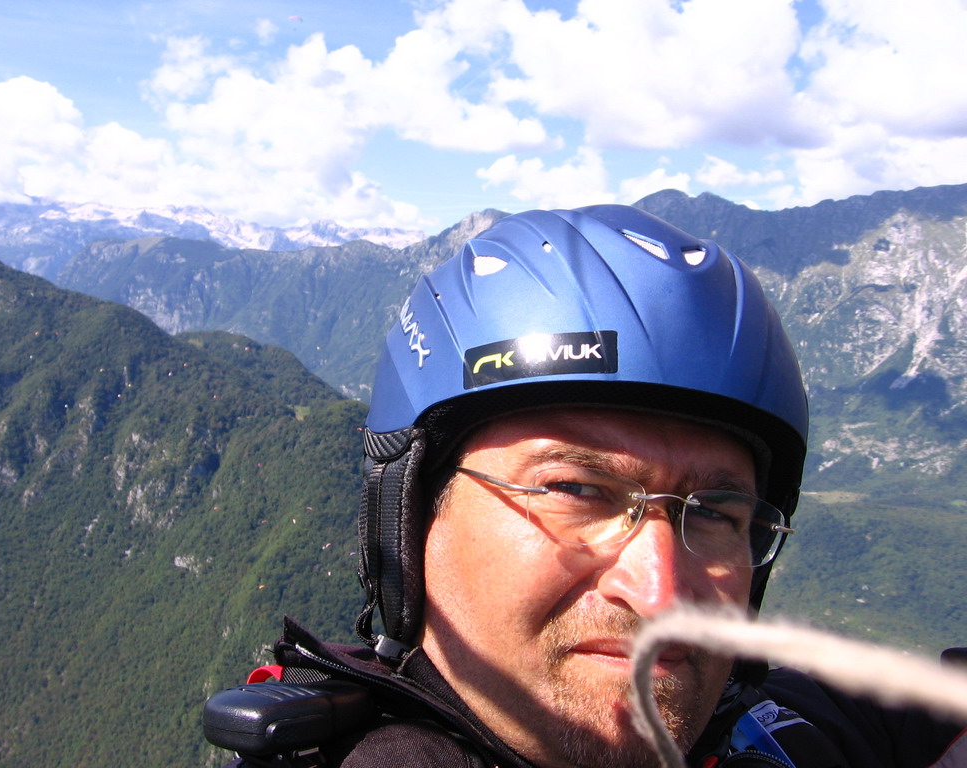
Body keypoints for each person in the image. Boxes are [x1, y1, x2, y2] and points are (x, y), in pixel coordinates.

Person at [218, 205, 965, 767]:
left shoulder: (781, 725)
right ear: (410, 524)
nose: (660, 593)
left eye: (716, 512)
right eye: (576, 490)